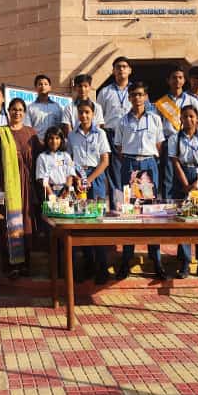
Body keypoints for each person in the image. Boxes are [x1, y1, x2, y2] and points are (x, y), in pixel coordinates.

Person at [114, 81, 168, 281]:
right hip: (129, 166)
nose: (137, 98)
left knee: (151, 214)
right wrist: (132, 164)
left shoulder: (155, 119)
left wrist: (145, 163)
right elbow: (119, 148)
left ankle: (156, 260)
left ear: (146, 97)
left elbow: (159, 146)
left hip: (148, 166)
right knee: (129, 213)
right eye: (133, 94)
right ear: (129, 97)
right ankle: (126, 260)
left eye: (140, 94)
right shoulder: (122, 121)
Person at [0, 97, 40, 279]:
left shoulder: (31, 133)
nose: (17, 112)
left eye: (20, 110)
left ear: (24, 113)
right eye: (13, 109)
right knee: (8, 224)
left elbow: (39, 160)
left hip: (26, 186)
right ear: (8, 112)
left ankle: (26, 264)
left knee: (25, 224)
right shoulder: (1, 133)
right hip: (7, 186)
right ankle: (10, 265)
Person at [169, 105, 198, 279]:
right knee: (183, 221)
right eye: (185, 116)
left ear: (197, 118)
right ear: (180, 119)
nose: (188, 119)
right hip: (182, 177)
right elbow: (175, 162)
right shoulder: (175, 138)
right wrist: (186, 186)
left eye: (191, 116)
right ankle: (184, 263)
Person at [67, 100, 111, 284]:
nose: (84, 116)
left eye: (87, 112)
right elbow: (68, 159)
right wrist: (77, 179)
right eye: (81, 112)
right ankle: (88, 264)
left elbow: (105, 161)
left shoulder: (100, 134)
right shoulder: (71, 136)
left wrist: (89, 180)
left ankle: (102, 266)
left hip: (96, 178)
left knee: (97, 221)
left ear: (93, 114)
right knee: (81, 221)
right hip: (78, 179)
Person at [154, 64, 197, 200]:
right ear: (168, 80)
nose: (177, 80)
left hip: (188, 142)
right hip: (168, 142)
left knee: (188, 174)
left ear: (184, 80)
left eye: (180, 77)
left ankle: (189, 204)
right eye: (174, 78)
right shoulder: (161, 102)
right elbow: (157, 126)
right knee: (168, 176)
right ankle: (167, 205)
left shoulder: (192, 100)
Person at [96, 56, 133, 195]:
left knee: (132, 171)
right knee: (114, 172)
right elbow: (99, 117)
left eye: (124, 66)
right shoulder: (105, 92)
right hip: (111, 134)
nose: (121, 69)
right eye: (118, 67)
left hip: (131, 135)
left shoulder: (137, 91)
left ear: (130, 70)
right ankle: (117, 206)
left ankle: (133, 205)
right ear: (113, 71)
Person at [36, 126, 76, 200]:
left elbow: (70, 176)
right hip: (49, 191)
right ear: (47, 140)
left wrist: (65, 193)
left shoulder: (67, 156)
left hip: (65, 191)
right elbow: (42, 179)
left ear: (61, 140)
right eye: (51, 138)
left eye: (57, 138)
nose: (54, 141)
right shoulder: (42, 157)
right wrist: (51, 195)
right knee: (51, 211)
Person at [25, 74, 64, 141]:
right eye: (40, 84)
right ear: (35, 88)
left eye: (46, 84)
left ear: (50, 87)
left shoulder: (57, 107)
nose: (43, 86)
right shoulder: (30, 108)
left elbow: (61, 127)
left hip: (54, 144)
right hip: (37, 144)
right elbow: (28, 129)